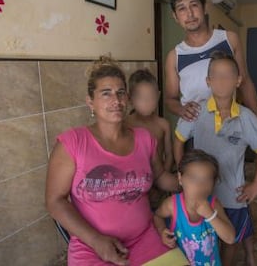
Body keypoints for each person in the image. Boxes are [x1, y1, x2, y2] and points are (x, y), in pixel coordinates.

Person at [45, 57, 178, 266]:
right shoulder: (73, 143)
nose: (116, 100)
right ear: (90, 102)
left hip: (145, 238)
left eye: (120, 92)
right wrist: (96, 241)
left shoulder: (144, 138)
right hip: (93, 248)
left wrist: (190, 182)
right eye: (106, 93)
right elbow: (55, 201)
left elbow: (160, 176)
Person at [174, 52, 257, 266]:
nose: (222, 81)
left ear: (238, 80)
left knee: (231, 237)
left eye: (228, 75)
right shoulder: (197, 110)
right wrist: (183, 176)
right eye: (216, 75)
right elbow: (179, 139)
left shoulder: (246, 117)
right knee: (205, 233)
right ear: (208, 81)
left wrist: (256, 184)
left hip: (232, 194)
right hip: (201, 192)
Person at [165, 0, 257, 122]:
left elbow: (244, 81)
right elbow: (170, 99)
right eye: (182, 9)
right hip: (193, 130)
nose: (190, 14)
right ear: (175, 17)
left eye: (194, 5)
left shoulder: (229, 39)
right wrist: (181, 109)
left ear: (204, 8)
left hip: (229, 124)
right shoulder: (174, 56)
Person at [153, 149, 235, 266]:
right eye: (193, 179)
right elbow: (157, 216)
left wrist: (210, 215)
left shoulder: (214, 205)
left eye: (206, 179)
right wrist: (162, 231)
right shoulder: (172, 205)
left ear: (214, 182)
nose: (199, 186)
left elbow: (230, 238)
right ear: (180, 178)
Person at [126, 69, 174, 209]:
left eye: (151, 97)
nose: (147, 102)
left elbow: (169, 154)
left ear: (158, 96)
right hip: (135, 182)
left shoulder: (163, 124)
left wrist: (160, 181)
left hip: (160, 179)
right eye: (141, 98)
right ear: (130, 99)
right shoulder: (126, 124)